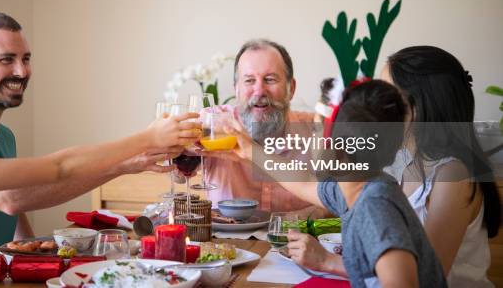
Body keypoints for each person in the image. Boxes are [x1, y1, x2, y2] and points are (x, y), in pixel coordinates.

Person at [0, 19, 200, 270]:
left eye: (26, 59)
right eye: (6, 59)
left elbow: (18, 207)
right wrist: (146, 139)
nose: (22, 71)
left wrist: (125, 164)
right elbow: (32, 184)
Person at [288, 46, 501, 288]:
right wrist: (249, 149)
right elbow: (309, 184)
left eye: (386, 93)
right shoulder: (398, 162)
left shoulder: (452, 176)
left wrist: (327, 261)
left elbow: (424, 277)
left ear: (416, 107)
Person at [287, 80, 447, 288]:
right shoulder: (362, 188)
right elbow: (302, 183)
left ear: (335, 149)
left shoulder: (374, 207)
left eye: (316, 130)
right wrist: (248, 149)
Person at [203, 39, 321, 214]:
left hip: (296, 240)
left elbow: (348, 198)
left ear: (292, 88)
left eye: (270, 79)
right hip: (225, 241)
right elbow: (175, 164)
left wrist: (310, 215)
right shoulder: (212, 123)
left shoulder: (317, 130)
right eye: (249, 80)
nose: (259, 91)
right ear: (236, 89)